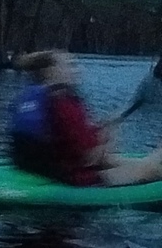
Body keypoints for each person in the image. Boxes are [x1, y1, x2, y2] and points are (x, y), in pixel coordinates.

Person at [10, 50, 162, 186]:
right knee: (152, 171)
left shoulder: (33, 97)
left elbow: (69, 139)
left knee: (113, 160)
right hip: (76, 177)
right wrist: (109, 137)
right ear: (51, 72)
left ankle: (154, 158)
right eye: (70, 65)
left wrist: (100, 130)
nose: (77, 70)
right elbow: (90, 157)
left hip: (53, 167)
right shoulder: (64, 103)